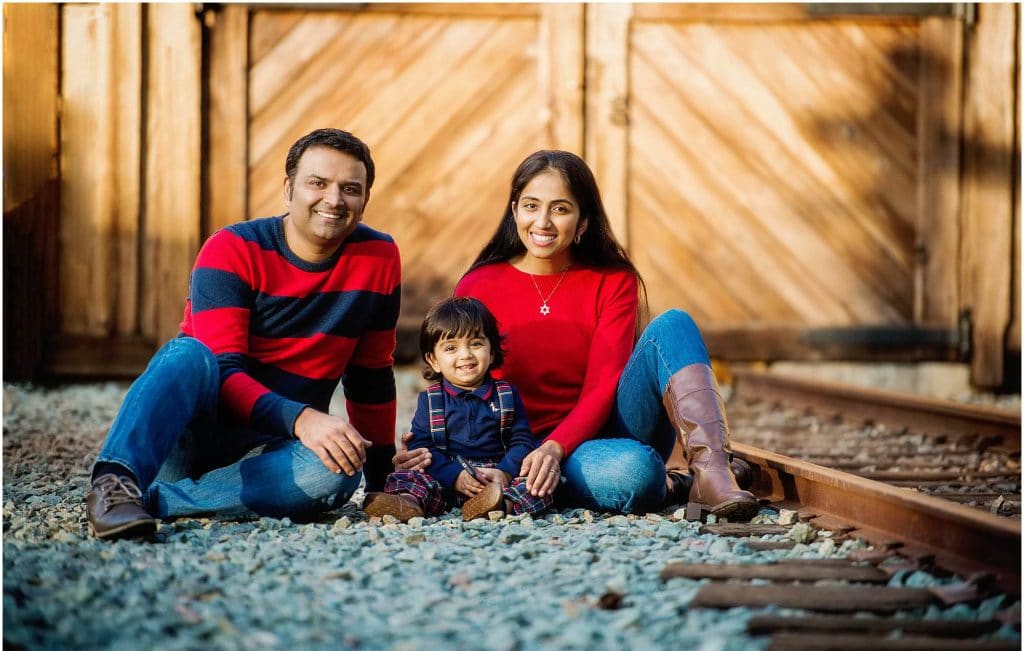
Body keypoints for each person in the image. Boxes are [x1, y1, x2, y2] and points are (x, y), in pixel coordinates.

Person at [394, 150, 758, 520]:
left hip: (597, 436)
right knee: (635, 474)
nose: (543, 222)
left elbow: (604, 384)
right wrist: (427, 445)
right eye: (531, 206)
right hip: (513, 452)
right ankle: (676, 484)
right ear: (515, 210)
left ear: (583, 220)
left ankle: (713, 471)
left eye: (560, 209)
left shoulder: (613, 280)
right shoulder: (478, 284)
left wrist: (556, 447)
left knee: (674, 324)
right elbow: (460, 377)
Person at [85, 128, 400, 540]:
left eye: (350, 188)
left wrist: (381, 480)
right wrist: (303, 418)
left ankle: (156, 500)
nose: (334, 199)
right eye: (318, 183)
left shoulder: (378, 256)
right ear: (289, 189)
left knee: (339, 469)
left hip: (272, 451)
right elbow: (225, 371)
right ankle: (115, 484)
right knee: (187, 355)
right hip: (189, 439)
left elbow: (370, 377)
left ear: (365, 199)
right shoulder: (232, 248)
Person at [363, 296, 552, 522]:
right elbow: (422, 447)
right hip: (447, 478)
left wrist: (505, 472)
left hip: (495, 478)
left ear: (491, 352)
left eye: (476, 343)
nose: (466, 355)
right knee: (410, 474)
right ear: (433, 360)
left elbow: (522, 442)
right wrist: (455, 477)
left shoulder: (507, 395)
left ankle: (502, 505)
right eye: (451, 347)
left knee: (539, 483)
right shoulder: (431, 399)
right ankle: (409, 503)